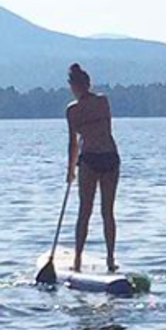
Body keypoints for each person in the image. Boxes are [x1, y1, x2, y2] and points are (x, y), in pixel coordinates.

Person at [66, 63, 120, 273]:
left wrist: (70, 170)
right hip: (109, 157)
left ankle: (78, 259)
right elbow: (103, 128)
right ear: (87, 84)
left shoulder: (73, 110)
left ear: (73, 86)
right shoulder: (102, 101)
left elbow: (73, 143)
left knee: (85, 211)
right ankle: (109, 258)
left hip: (91, 159)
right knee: (107, 211)